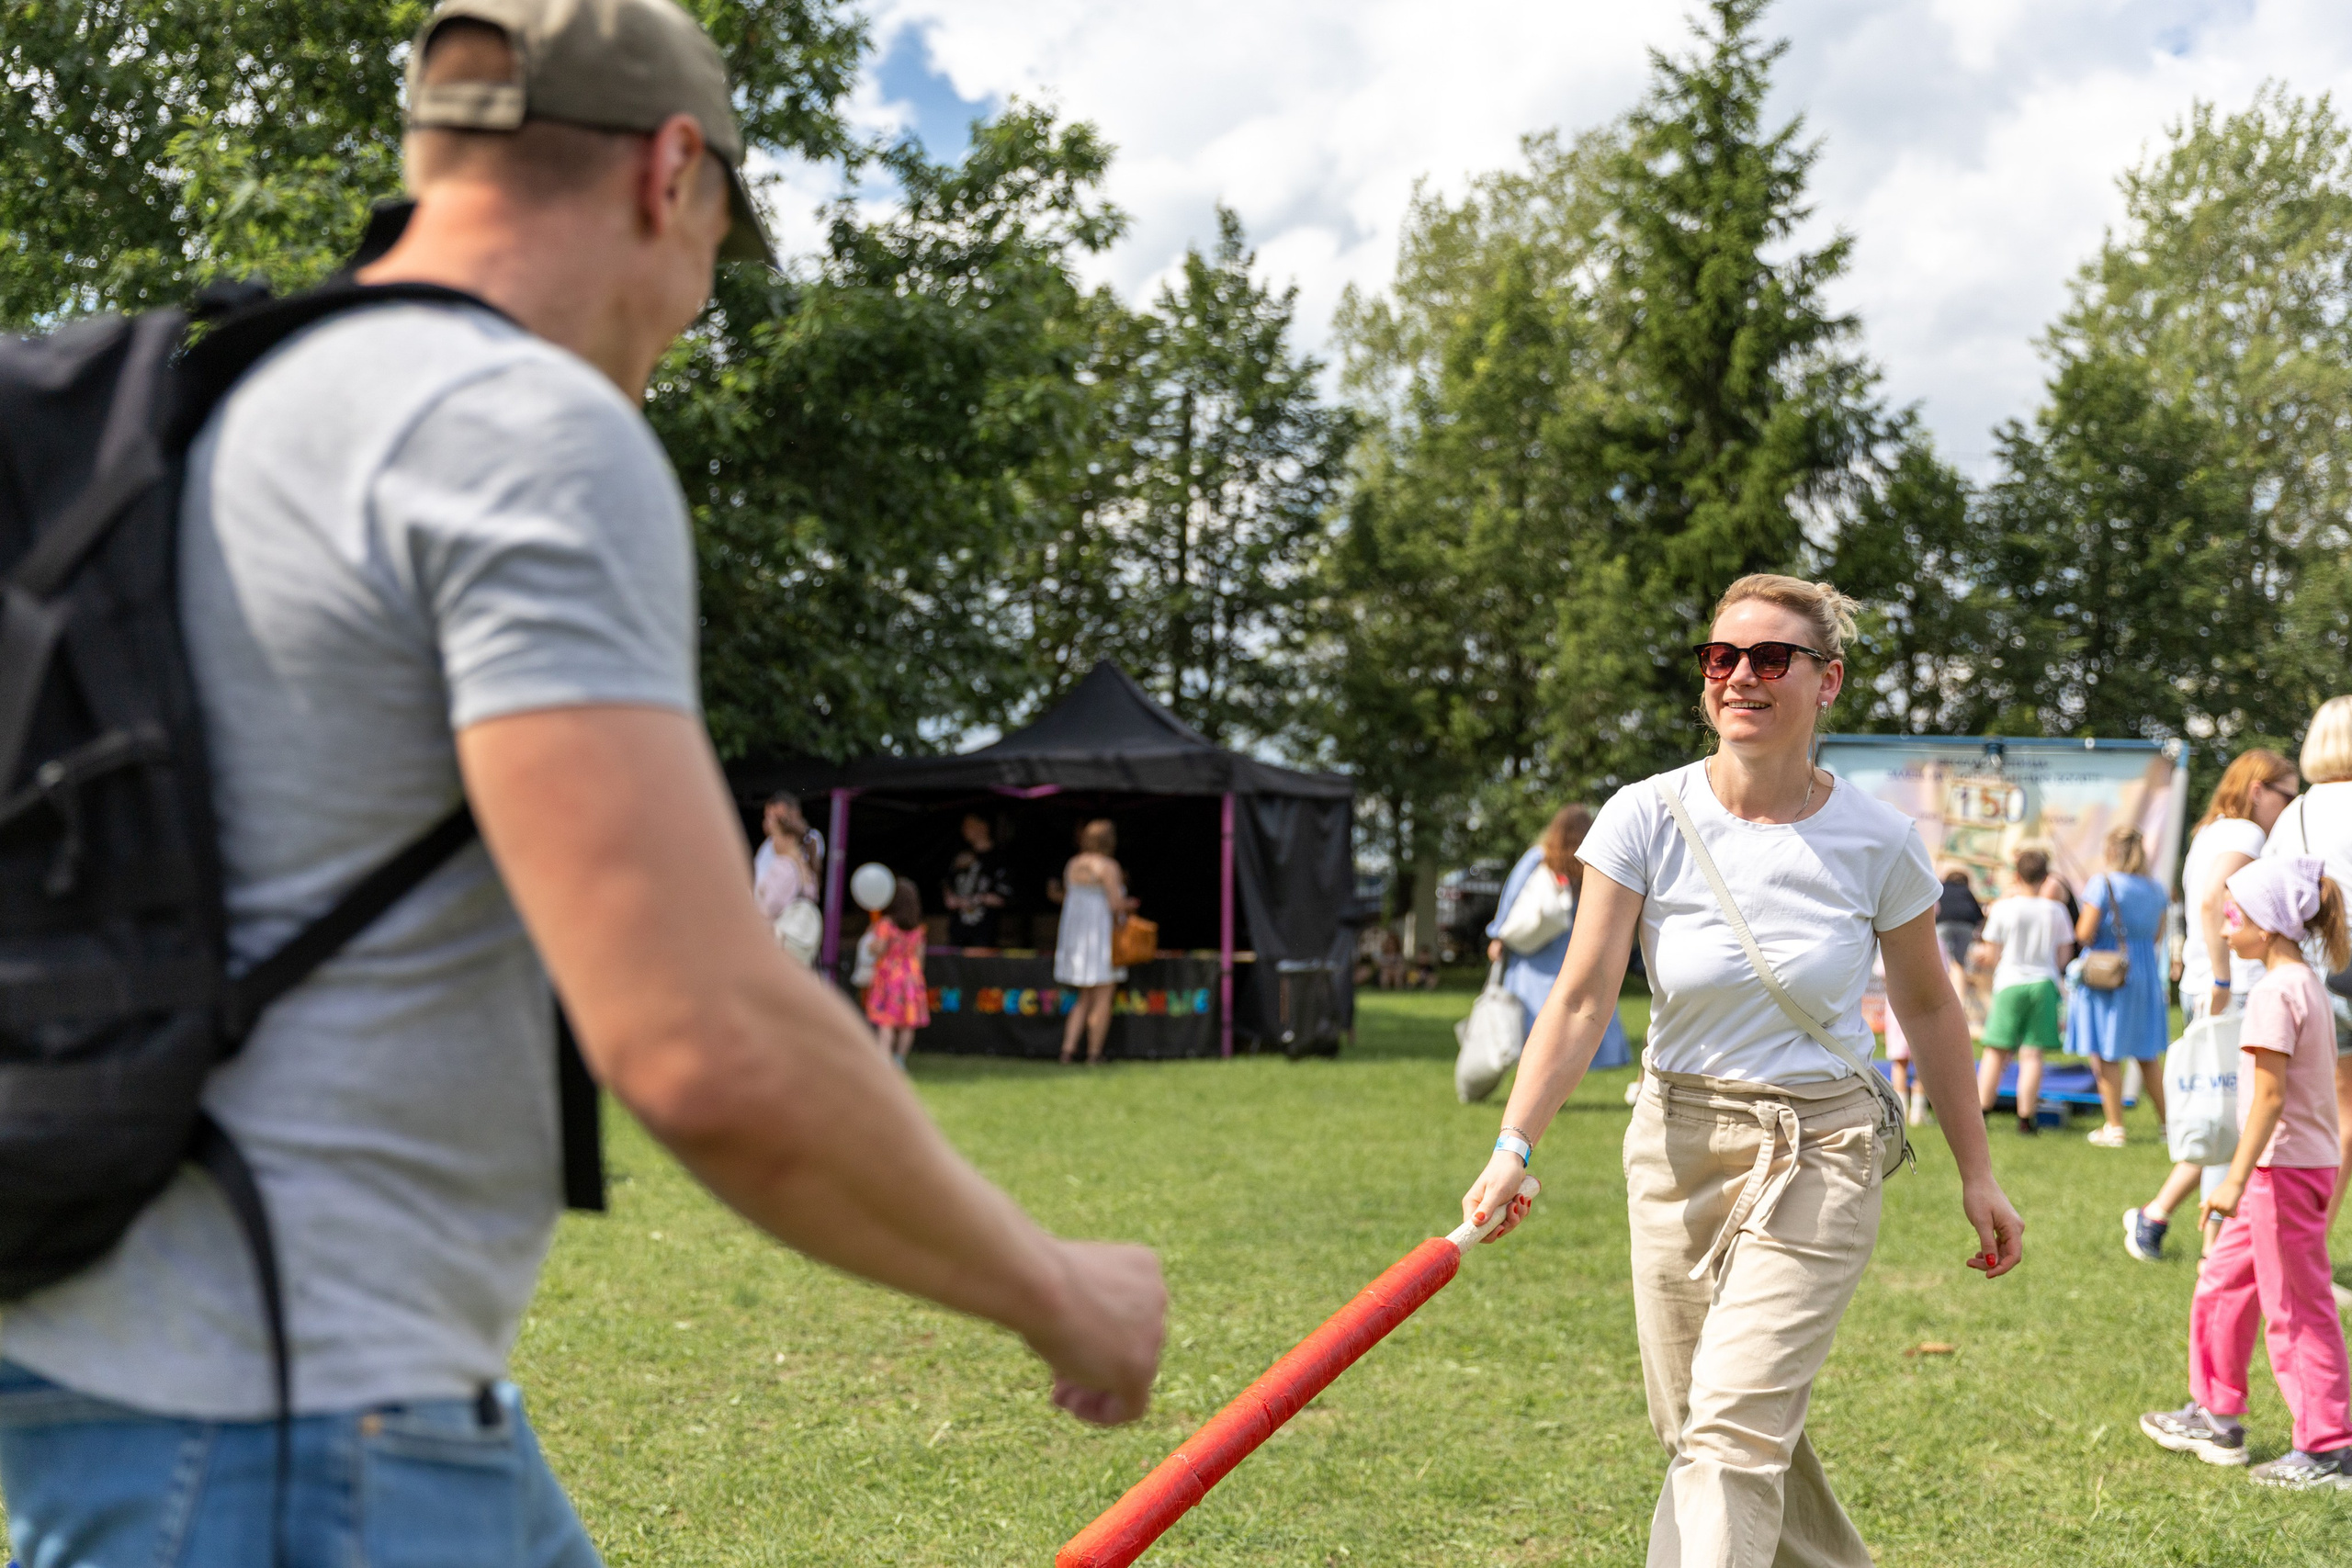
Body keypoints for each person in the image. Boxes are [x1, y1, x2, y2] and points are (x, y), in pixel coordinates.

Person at [0, 6, 1166, 1562]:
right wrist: (1061, 1290)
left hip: (148, 1391)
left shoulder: (227, 416)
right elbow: (704, 1045)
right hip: (304, 1442)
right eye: (714, 253)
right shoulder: (513, 430)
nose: (689, 309)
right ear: (672, 172)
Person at [1461, 574, 2023, 1568]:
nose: (1741, 678)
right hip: (1676, 1144)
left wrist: (1978, 1172)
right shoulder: (1643, 816)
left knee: (1729, 1434)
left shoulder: (1879, 841)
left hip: (1823, 1146)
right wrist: (1514, 1143)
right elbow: (1583, 996)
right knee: (1702, 1431)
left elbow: (1930, 1006)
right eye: (1721, 658)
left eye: (1771, 659)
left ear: (1829, 682)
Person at [2140, 855, 2352, 1487]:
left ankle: (2328, 1447)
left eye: (2234, 917)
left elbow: (2268, 1097)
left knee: (2295, 1304)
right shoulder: (2301, 982)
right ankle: (2215, 1413)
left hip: (2280, 1172)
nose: (2226, 929)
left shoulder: (2274, 993)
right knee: (2222, 1282)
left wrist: (2232, 1178)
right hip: (2283, 1169)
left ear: (2267, 924)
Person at [2125, 749, 2299, 1260]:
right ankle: (2185, 1232)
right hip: (2233, 983)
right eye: (2287, 796)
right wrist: (2224, 976)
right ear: (2257, 790)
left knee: (2229, 1114)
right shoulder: (2245, 834)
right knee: (2238, 1116)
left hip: (2213, 984)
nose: (2290, 809)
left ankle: (2182, 1230)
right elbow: (2210, 900)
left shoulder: (2211, 832)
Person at [2264, 695, 2352, 1230]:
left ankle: (2311, 1238)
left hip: (2325, 970)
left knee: (2330, 1110)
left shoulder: (2296, 812)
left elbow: (2271, 897)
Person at [1486, 806, 1632, 1070]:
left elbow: (1512, 895)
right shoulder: (1592, 863)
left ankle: (1539, 1072)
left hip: (1534, 952)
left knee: (1535, 1017)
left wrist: (1497, 935)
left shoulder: (1539, 858)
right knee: (1580, 1007)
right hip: (1571, 947)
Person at [2066, 826, 2173, 1146]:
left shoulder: (2103, 883)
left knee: (2105, 1052)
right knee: (2146, 1054)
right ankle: (2169, 1126)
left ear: (2111, 851)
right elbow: (2156, 936)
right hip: (2144, 973)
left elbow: (2083, 932)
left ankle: (2115, 1126)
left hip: (2107, 973)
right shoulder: (2156, 890)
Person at [1973, 849, 2075, 1137]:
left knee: (1995, 1051)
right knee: (2032, 1055)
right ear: (2046, 878)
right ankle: (2026, 1118)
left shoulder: (2003, 908)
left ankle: (1982, 1112)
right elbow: (2064, 954)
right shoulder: (2056, 910)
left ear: (2016, 875)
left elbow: (1992, 953)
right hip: (2043, 982)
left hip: (2009, 981)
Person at [1056, 819, 1130, 1066]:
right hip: (1099, 938)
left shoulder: (1073, 864)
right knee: (1102, 997)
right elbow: (1115, 904)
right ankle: (1094, 1054)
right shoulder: (1108, 866)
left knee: (1083, 998)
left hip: (1077, 938)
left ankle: (1067, 1051)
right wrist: (1130, 906)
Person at [865, 878, 931, 1067]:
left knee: (887, 1020)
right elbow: (920, 957)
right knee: (907, 1022)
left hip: (890, 976)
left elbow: (879, 949)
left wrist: (871, 941)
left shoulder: (886, 924)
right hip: (911, 976)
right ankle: (899, 1059)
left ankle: (883, 1059)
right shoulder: (918, 928)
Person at [754, 792, 821, 962]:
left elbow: (770, 906)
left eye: (774, 817)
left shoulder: (784, 865)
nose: (767, 823)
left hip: (776, 943)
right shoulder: (804, 866)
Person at [942, 813, 1013, 949]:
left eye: (969, 826)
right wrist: (950, 897)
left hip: (984, 934)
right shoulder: (961, 858)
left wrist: (972, 900)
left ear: (983, 826)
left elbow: (1003, 897)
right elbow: (947, 884)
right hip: (958, 933)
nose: (965, 830)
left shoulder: (998, 858)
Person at [1934, 863, 1984, 997]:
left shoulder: (1941, 889)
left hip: (1943, 925)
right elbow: (1979, 915)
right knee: (1958, 963)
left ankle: (1941, 997)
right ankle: (1959, 999)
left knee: (1943, 962)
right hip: (1966, 926)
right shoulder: (1966, 892)